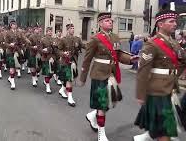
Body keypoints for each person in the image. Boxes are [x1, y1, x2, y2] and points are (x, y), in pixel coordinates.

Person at [79, 12, 137, 141]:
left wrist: (131, 59)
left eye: (111, 21)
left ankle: (93, 115)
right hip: (99, 75)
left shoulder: (115, 37)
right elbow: (87, 59)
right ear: (100, 23)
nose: (110, 22)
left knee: (111, 101)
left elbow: (119, 55)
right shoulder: (95, 39)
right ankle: (101, 133)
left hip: (111, 74)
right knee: (102, 104)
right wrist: (82, 77)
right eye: (106, 21)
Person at [133, 9, 186, 141]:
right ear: (160, 24)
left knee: (164, 127)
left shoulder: (174, 43)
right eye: (171, 21)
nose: (175, 24)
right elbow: (143, 71)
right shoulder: (152, 44)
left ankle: (148, 136)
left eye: (175, 21)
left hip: (170, 89)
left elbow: (182, 60)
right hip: (157, 91)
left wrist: (174, 74)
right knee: (165, 131)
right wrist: (140, 95)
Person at [57, 23, 84, 107]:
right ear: (67, 30)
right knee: (69, 79)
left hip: (74, 62)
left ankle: (62, 90)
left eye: (73, 28)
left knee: (68, 79)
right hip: (66, 62)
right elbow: (58, 50)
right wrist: (63, 53)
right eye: (71, 28)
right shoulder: (63, 39)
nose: (73, 29)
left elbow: (83, 46)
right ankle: (70, 98)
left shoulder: (77, 39)